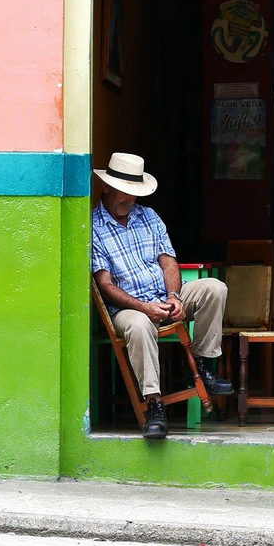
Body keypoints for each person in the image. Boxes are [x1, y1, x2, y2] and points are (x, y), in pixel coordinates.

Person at [91, 151, 234, 440]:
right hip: (128, 307)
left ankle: (203, 365)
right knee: (140, 324)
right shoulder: (94, 227)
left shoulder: (149, 216)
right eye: (124, 192)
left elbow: (168, 262)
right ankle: (155, 404)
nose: (130, 200)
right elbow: (105, 285)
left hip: (161, 296)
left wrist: (175, 297)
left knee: (215, 289)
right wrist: (145, 307)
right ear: (106, 186)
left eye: (135, 193)